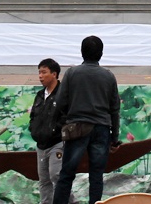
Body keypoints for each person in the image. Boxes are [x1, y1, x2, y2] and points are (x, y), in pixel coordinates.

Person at [52, 36, 121, 204]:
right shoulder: (108, 76)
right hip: (102, 129)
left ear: (81, 52)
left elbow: (60, 102)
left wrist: (63, 121)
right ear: (101, 54)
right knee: (96, 175)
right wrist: (114, 137)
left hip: (77, 127)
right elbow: (115, 109)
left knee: (67, 173)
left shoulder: (72, 73)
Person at [30, 58, 64, 204]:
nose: (40, 76)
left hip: (57, 143)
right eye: (39, 72)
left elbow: (68, 117)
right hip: (41, 145)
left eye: (44, 72)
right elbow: (33, 117)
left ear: (54, 74)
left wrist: (55, 131)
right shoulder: (39, 95)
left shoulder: (64, 94)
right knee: (44, 180)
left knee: (56, 176)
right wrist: (34, 129)